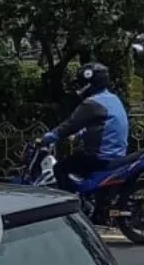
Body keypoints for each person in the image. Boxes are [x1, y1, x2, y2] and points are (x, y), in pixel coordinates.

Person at [39, 62, 130, 191]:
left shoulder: (91, 103)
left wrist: (47, 138)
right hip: (117, 155)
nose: (80, 86)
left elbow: (70, 125)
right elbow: (103, 126)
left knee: (60, 168)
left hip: (100, 158)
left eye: (82, 82)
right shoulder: (113, 98)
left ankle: (70, 201)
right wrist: (79, 135)